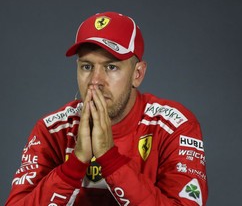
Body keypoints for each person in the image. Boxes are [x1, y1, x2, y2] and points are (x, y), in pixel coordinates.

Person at [5, 11, 208, 206]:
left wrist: (110, 159)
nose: (95, 81)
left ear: (137, 74)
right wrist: (74, 166)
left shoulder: (174, 126)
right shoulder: (52, 130)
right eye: (87, 66)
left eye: (111, 67)